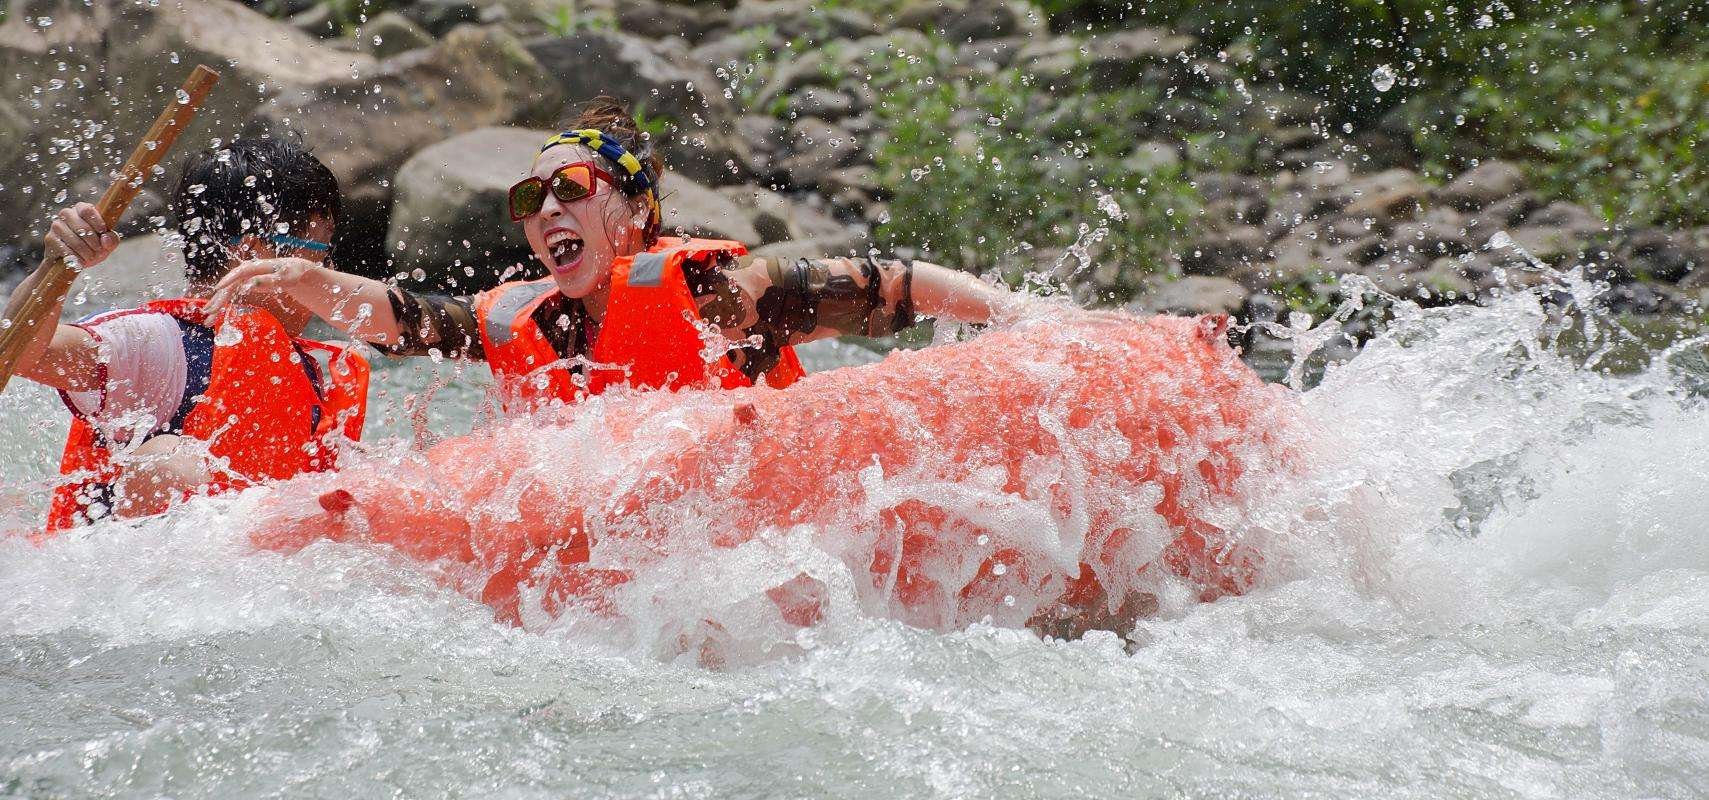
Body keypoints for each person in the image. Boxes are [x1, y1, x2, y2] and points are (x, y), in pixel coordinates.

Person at [206, 98, 1027, 411]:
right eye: (531, 200)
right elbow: (418, 324)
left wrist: (1023, 322)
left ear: (634, 209)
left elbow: (896, 286)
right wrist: (316, 282)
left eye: (570, 188)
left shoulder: (714, 292)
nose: (548, 211)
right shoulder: (526, 318)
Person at [5, 136, 370, 530]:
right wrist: (54, 269)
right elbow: (24, 354)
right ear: (253, 254)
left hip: (247, 574)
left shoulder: (301, 366)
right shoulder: (160, 344)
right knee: (168, 460)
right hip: (131, 578)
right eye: (319, 252)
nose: (329, 272)